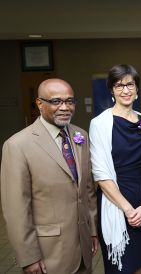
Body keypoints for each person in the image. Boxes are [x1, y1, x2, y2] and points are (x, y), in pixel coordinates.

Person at [1, 78, 98, 274]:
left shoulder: (81, 136)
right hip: (48, 255)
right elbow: (16, 209)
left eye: (70, 101)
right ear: (39, 103)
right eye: (56, 101)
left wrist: (93, 231)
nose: (65, 107)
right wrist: (28, 257)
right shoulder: (18, 145)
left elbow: (88, 190)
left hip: (83, 249)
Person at [89, 64, 141, 274]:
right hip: (115, 204)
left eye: (130, 84)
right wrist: (128, 209)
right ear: (111, 89)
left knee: (139, 267)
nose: (126, 90)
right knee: (120, 267)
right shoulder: (99, 124)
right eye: (119, 85)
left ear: (137, 89)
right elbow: (100, 174)